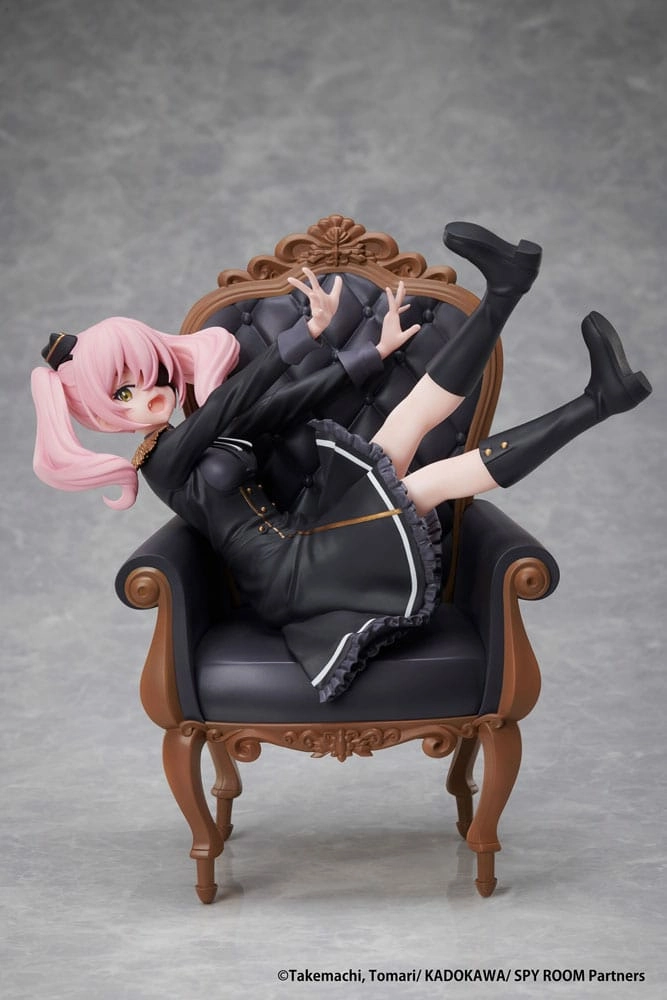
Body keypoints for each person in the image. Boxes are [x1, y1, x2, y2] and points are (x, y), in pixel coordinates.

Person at [31, 223, 651, 701]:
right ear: (100, 416)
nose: (144, 396)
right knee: (431, 482)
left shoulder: (201, 434)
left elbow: (284, 404)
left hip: (306, 534)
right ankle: (596, 404)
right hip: (289, 579)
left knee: (406, 419)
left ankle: (507, 291)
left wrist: (372, 354)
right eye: (121, 395)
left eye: (142, 376)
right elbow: (230, 404)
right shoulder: (161, 460)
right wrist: (298, 338)